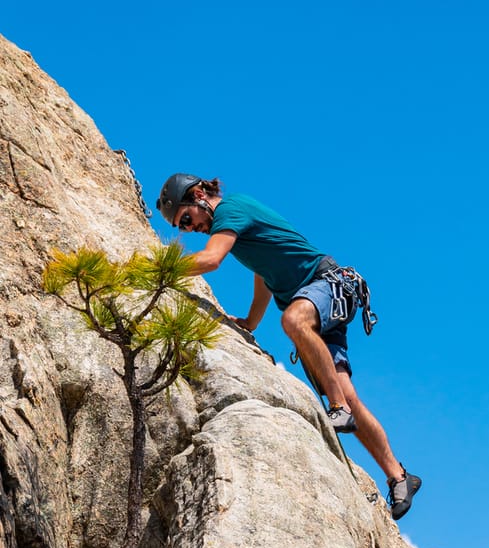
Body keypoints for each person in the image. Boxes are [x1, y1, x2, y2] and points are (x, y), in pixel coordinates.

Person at [156, 173, 422, 520]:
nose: (191, 229)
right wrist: (251, 322)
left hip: (325, 285)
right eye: (184, 228)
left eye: (187, 220)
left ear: (199, 195)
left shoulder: (230, 211)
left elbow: (210, 260)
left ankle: (337, 407)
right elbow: (263, 270)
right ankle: (399, 476)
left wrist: (158, 270)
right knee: (345, 391)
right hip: (318, 298)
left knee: (294, 322)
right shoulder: (237, 223)